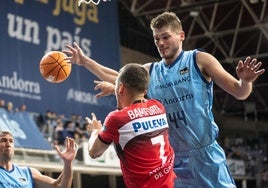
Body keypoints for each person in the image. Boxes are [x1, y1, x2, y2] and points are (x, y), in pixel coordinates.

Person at [63, 11, 265, 187]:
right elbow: (122, 76)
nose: (160, 43)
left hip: (206, 156)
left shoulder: (199, 60)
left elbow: (239, 92)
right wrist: (84, 61)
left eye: (165, 37)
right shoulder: (151, 71)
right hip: (173, 163)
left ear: (181, 36)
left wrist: (245, 81)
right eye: (156, 39)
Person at [85, 64, 176, 188]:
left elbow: (94, 152)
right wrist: (114, 89)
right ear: (144, 90)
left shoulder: (116, 119)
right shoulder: (158, 106)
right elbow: (139, 104)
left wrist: (96, 130)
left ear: (121, 88)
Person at [0, 130, 77, 188]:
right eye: (3, 140)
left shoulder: (28, 173)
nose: (8, 144)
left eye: (11, 141)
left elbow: (59, 186)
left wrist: (68, 163)